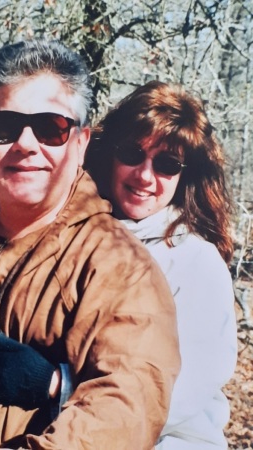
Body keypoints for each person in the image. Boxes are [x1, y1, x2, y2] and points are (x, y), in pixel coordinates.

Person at [0, 41, 180, 450]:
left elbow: (125, 409)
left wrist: (54, 385)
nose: (26, 144)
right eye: (4, 127)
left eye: (51, 128)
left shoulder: (119, 267)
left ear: (81, 143)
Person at [84, 80, 238, 449]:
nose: (144, 176)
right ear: (109, 154)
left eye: (167, 164)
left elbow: (176, 397)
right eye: (132, 153)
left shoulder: (196, 261)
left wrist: (55, 387)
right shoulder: (78, 236)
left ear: (186, 177)